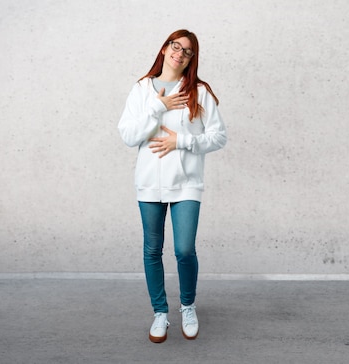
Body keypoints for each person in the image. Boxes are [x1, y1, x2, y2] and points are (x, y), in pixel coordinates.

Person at [118, 29, 227, 343]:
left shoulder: (199, 91)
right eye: (175, 46)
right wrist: (159, 106)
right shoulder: (141, 90)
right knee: (152, 250)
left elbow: (219, 136)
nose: (180, 53)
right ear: (165, 49)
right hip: (149, 183)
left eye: (188, 51)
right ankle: (160, 313)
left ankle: (188, 306)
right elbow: (128, 136)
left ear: (192, 59)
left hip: (187, 183)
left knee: (183, 250)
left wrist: (183, 141)